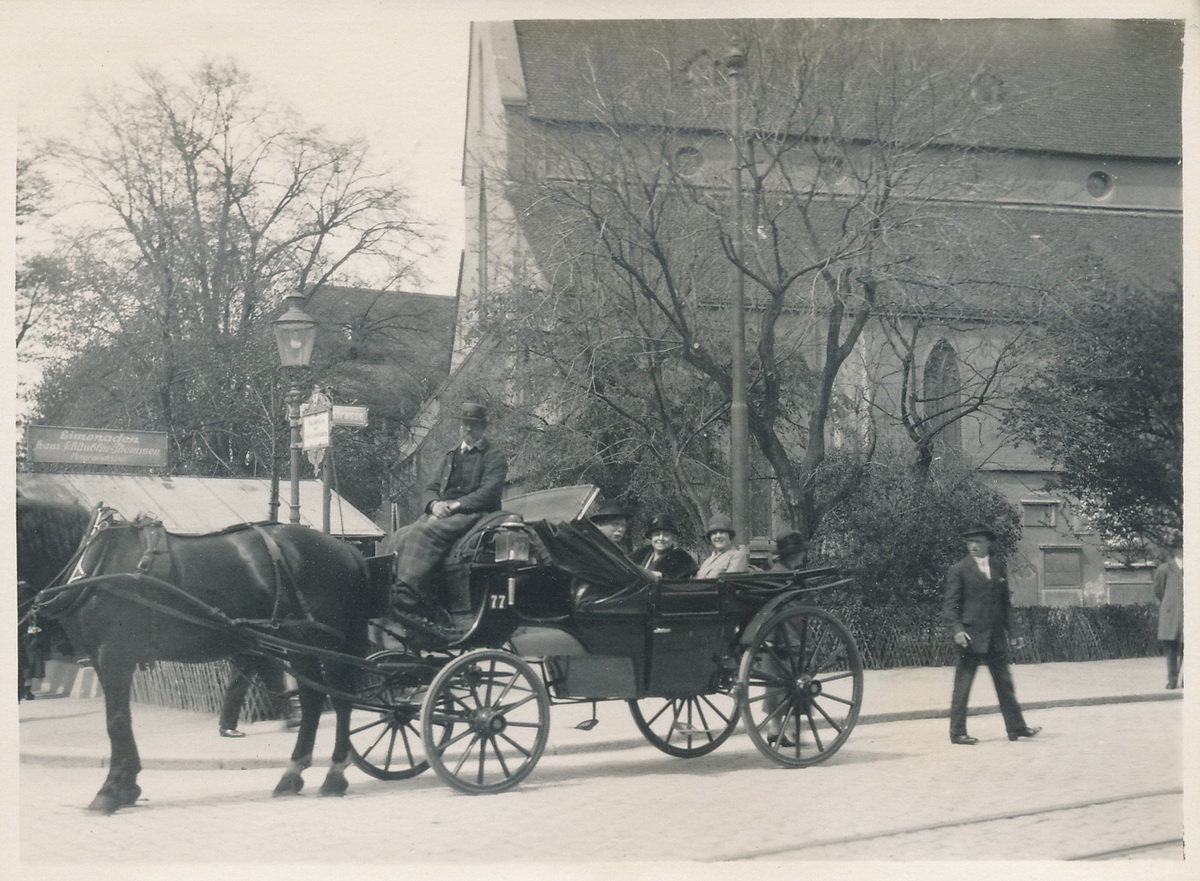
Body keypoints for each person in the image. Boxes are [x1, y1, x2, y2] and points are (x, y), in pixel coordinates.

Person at [383, 402, 508, 635]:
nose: (468, 429)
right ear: (459, 426)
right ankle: (391, 588)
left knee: (422, 533)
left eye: (473, 425)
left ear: (483, 428)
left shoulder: (494, 456)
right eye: (465, 424)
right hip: (444, 511)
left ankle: (409, 596)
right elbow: (430, 487)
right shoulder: (451, 455)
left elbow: (489, 492)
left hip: (475, 513)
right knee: (401, 534)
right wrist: (434, 504)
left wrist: (454, 506)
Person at [942, 523, 1041, 745]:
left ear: (988, 543)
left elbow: (1006, 604)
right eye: (970, 542)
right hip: (969, 637)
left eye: (978, 541)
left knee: (1005, 683)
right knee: (963, 686)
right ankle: (957, 733)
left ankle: (1016, 728)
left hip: (995, 636)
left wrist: (1014, 632)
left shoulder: (998, 568)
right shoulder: (958, 569)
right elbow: (950, 607)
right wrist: (957, 630)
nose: (974, 546)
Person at [218, 653, 295, 737]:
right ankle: (227, 726)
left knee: (276, 682)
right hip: (247, 649)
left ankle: (290, 717)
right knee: (239, 683)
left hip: (263, 646)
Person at [1153, 531, 1183, 689]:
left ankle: (1187, 679)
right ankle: (1172, 679)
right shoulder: (1165, 569)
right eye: (1178, 547)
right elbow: (1158, 591)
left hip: (1189, 616)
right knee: (1171, 649)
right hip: (1172, 615)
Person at [630, 514, 698, 580]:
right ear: (651, 537)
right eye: (657, 534)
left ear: (673, 537)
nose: (661, 538)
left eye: (666, 535)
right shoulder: (639, 556)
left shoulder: (682, 561)